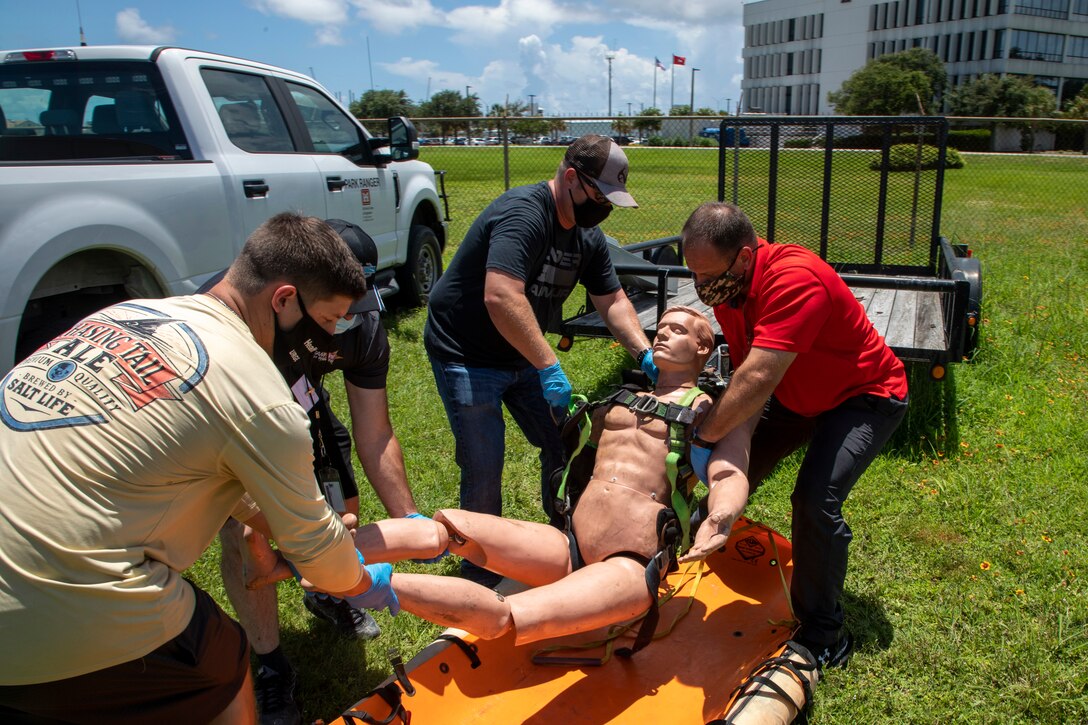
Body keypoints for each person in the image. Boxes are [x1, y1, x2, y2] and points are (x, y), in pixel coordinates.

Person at [0, 213, 393, 723]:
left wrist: (284, 522)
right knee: (221, 660)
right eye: (328, 321)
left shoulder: (126, 314)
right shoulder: (261, 397)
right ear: (283, 299)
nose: (335, 335)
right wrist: (357, 573)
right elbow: (323, 564)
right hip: (57, 612)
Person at [247, 307, 749, 645]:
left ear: (706, 349)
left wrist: (721, 515)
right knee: (444, 527)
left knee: (503, 614)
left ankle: (366, 585)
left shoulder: (706, 411)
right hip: (569, 546)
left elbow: (727, 471)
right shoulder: (620, 398)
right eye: (661, 326)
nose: (662, 333)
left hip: (628, 567)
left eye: (680, 330)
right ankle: (297, 559)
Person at [209, 220, 425, 725]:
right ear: (290, 298)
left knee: (343, 506)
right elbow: (234, 489)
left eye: (355, 309)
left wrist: (408, 523)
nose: (345, 323)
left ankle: (331, 593)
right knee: (247, 538)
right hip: (237, 423)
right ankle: (270, 666)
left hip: (302, 405)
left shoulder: (361, 322)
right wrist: (309, 543)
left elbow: (376, 433)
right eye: (333, 314)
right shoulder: (234, 327)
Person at [678, 201, 909, 669]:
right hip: (795, 393)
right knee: (717, 466)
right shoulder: (731, 289)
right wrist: (718, 455)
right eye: (693, 275)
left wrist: (703, 435)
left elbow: (759, 376)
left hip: (863, 395)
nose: (702, 289)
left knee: (813, 500)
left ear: (744, 258)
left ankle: (824, 635)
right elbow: (748, 382)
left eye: (708, 275)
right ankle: (682, 558)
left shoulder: (795, 277)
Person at [423, 133, 658, 586]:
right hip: (466, 352)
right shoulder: (524, 215)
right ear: (571, 177)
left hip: (522, 352)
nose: (603, 207)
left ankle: (563, 535)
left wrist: (643, 351)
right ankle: (478, 567)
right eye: (599, 195)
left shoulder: (587, 234)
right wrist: (549, 366)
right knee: (484, 460)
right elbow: (500, 295)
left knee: (563, 441)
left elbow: (611, 299)